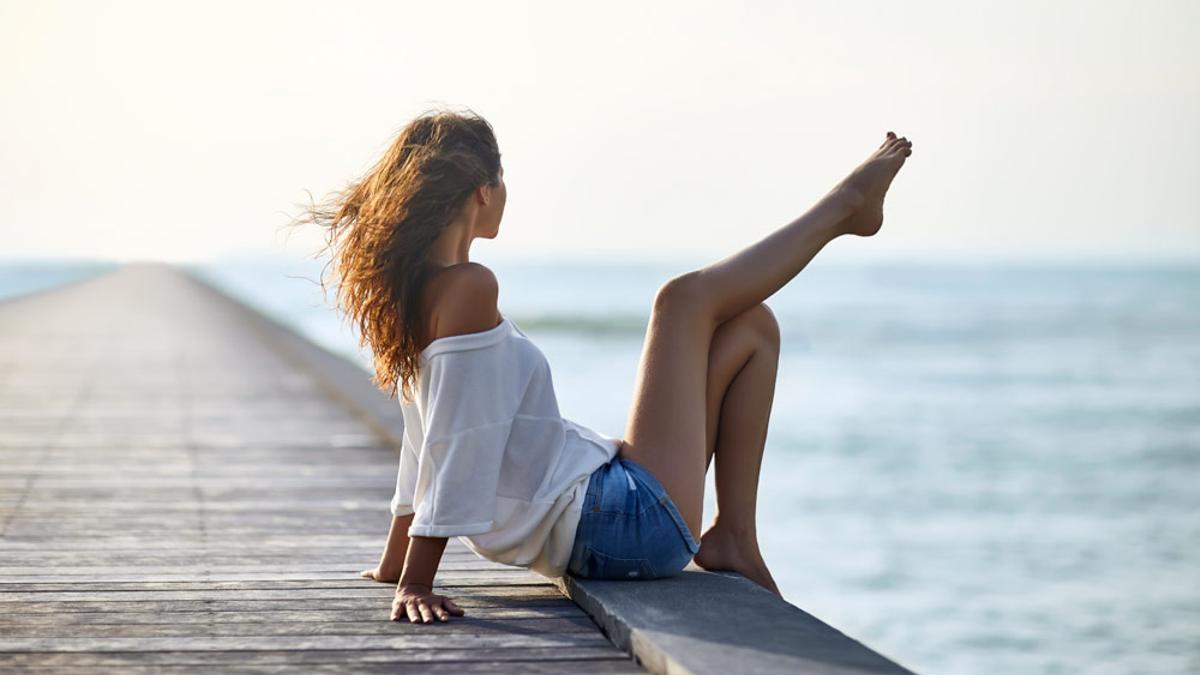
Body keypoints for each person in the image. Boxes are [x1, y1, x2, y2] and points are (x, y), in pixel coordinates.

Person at [304, 106, 912, 624]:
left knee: (751, 327)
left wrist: (393, 562)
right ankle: (844, 208)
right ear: (482, 191)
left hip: (604, 512)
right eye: (505, 177)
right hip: (617, 526)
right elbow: (456, 439)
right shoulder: (468, 288)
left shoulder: (423, 294)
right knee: (680, 300)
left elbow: (424, 438)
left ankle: (734, 538)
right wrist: (415, 580)